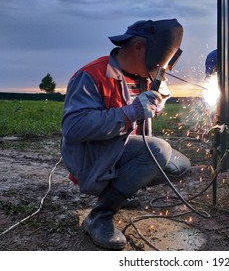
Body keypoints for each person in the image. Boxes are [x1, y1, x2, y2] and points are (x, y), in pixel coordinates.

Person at [61, 19, 190, 250]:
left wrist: (160, 102)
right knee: (158, 150)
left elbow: (161, 93)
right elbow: (73, 127)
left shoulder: (145, 76)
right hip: (92, 156)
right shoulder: (93, 74)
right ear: (139, 47)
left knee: (180, 165)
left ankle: (123, 190)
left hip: (120, 149)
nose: (157, 69)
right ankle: (99, 216)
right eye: (157, 61)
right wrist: (131, 112)